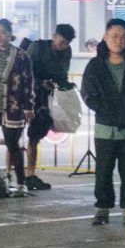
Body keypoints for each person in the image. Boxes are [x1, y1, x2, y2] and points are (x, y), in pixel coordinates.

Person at [80, 17, 125, 225]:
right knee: (103, 172)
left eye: (123, 37)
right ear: (105, 37)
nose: (119, 41)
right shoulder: (95, 66)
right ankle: (103, 209)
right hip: (105, 129)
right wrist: (107, 111)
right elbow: (88, 95)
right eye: (114, 36)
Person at [0, 19, 37, 196]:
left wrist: (28, 106)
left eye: (3, 32)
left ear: (10, 33)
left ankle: (21, 182)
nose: (0, 36)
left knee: (12, 145)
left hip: (13, 107)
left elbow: (28, 82)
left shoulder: (21, 56)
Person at [24, 23, 76, 191]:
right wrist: (40, 83)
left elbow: (62, 74)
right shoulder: (38, 47)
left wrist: (65, 86)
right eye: (62, 41)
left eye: (67, 42)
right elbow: (25, 72)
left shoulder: (66, 52)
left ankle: (29, 174)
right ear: (55, 36)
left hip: (47, 98)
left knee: (35, 135)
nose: (64, 45)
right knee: (14, 134)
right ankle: (17, 174)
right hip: (27, 95)